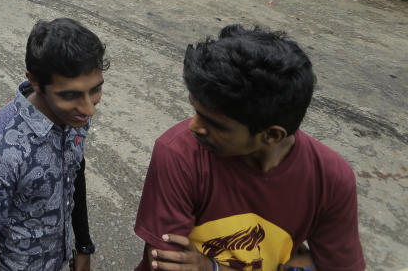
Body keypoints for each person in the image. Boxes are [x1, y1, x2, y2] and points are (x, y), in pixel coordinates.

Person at [134, 25, 365, 271]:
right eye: (196, 111)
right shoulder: (179, 153)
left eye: (214, 124)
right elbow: (167, 265)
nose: (193, 126)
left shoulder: (330, 178)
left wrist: (209, 268)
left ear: (272, 135)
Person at [0, 18, 104, 271]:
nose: (89, 110)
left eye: (95, 90)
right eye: (70, 95)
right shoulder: (1, 151)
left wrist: (83, 245)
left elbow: (75, 173)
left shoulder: (75, 117)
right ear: (35, 82)